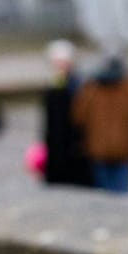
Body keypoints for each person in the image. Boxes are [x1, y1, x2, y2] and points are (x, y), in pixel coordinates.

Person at [72, 54, 128, 194]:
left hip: (98, 150)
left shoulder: (92, 89)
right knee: (123, 195)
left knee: (103, 195)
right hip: (125, 150)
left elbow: (79, 118)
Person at [40, 40, 94, 188]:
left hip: (74, 152)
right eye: (57, 62)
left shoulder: (77, 85)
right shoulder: (55, 86)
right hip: (59, 152)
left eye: (63, 62)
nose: (60, 66)